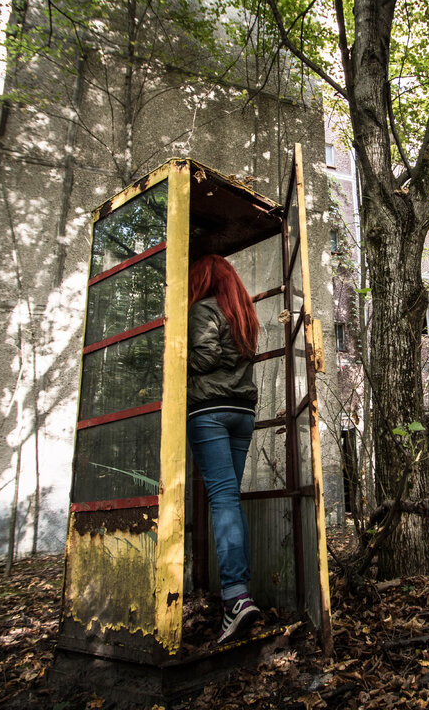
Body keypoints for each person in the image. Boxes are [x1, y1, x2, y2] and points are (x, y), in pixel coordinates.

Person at [186, 254, 263, 644]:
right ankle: (239, 592)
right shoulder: (243, 315)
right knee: (230, 497)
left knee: (222, 500)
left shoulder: (202, 309)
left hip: (210, 411)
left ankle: (235, 597)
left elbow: (205, 357)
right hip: (241, 412)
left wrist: (171, 355)